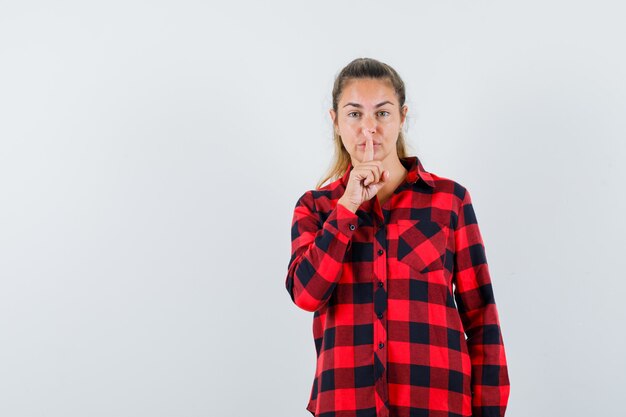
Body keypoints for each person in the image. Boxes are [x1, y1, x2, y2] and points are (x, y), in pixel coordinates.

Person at [285, 57, 510, 417]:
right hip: (347, 403)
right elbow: (307, 295)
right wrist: (349, 207)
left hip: (437, 402)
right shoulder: (316, 208)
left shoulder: (450, 201)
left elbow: (482, 318)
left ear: (402, 117)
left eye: (383, 113)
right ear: (336, 121)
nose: (369, 128)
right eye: (355, 114)